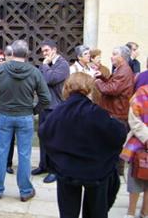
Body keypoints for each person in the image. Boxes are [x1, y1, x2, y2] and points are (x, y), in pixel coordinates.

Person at [40, 72, 127, 218]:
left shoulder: (58, 112)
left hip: (66, 170)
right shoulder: (97, 113)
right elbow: (118, 134)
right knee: (96, 211)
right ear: (90, 89)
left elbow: (44, 132)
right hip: (95, 172)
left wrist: (59, 155)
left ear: (67, 88)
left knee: (68, 212)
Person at [0, 40, 51, 201]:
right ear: (27, 54)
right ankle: (25, 190)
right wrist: (33, 110)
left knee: (1, 152)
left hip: (4, 116)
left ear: (12, 53)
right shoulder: (34, 72)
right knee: (24, 154)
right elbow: (46, 99)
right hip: (25, 117)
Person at [31, 39, 70, 184]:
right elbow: (39, 81)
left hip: (56, 107)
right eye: (43, 52)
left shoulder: (63, 64)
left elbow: (50, 79)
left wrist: (45, 66)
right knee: (43, 136)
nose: (44, 54)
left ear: (54, 50)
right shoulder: (45, 64)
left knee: (54, 139)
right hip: (44, 106)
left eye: (47, 51)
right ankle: (44, 165)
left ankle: (55, 170)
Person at [95, 46, 134, 175]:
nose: (111, 56)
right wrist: (103, 78)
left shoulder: (124, 71)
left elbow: (112, 89)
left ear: (122, 57)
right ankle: (113, 171)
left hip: (117, 113)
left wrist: (97, 82)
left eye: (114, 54)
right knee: (113, 144)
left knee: (115, 145)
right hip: (115, 112)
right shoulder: (120, 69)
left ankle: (115, 172)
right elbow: (114, 84)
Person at [123, 61, 148, 218]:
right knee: (136, 179)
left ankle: (145, 212)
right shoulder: (142, 93)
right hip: (140, 142)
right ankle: (131, 213)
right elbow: (133, 118)